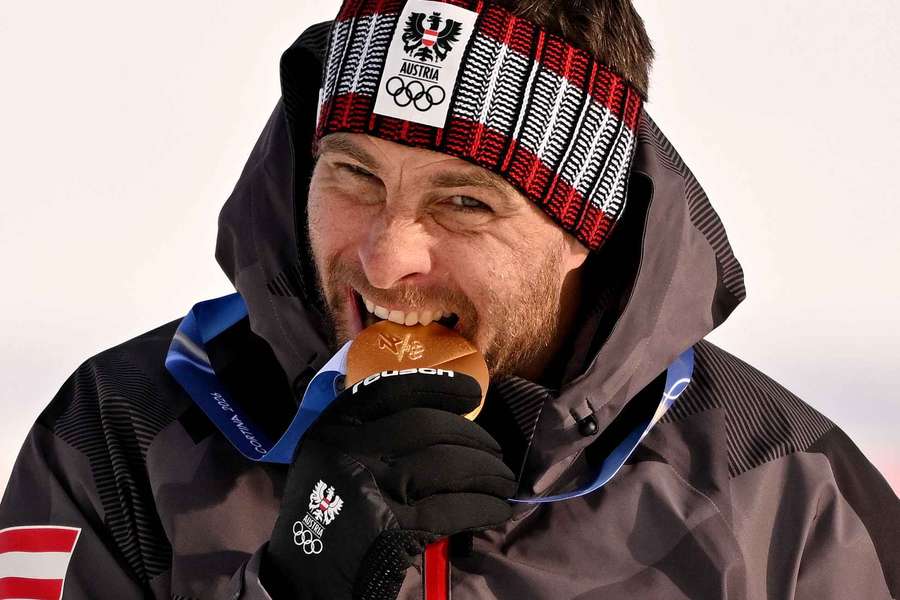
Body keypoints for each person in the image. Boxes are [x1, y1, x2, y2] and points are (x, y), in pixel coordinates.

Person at [1, 0, 897, 598]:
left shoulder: (785, 490)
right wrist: (297, 581)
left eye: (464, 201)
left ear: (591, 225)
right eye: (352, 175)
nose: (388, 259)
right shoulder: (124, 426)